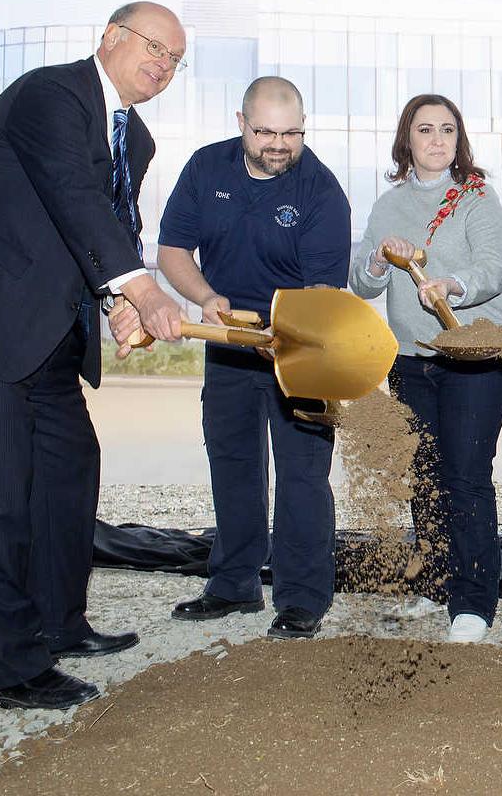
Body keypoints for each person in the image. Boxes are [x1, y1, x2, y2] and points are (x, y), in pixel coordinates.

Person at [0, 2, 186, 710]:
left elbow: (113, 224)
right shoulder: (51, 95)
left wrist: (120, 305)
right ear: (110, 38)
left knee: (68, 478)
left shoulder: (140, 138)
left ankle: (60, 624)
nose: (161, 64)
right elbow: (70, 196)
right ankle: (12, 669)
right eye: (152, 45)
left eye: (173, 60)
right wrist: (140, 287)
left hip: (53, 341)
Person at [157, 76, 350, 641]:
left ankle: (302, 597)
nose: (279, 144)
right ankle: (233, 583)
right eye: (265, 130)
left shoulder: (320, 191)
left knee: (302, 475)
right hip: (227, 345)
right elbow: (172, 251)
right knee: (233, 462)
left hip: (300, 350)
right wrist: (205, 299)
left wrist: (281, 337)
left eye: (291, 132)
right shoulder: (205, 168)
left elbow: (322, 299)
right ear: (241, 123)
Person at [350, 94, 502, 644]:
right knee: (424, 475)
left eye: (447, 129)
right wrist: (380, 258)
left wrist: (452, 285)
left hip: (479, 354)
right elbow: (363, 282)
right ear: (407, 140)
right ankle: (436, 583)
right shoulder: (387, 206)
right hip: (411, 357)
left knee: (464, 475)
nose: (437, 139)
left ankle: (475, 603)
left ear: (459, 139)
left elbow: (496, 266)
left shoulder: (475, 196)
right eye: (425, 130)